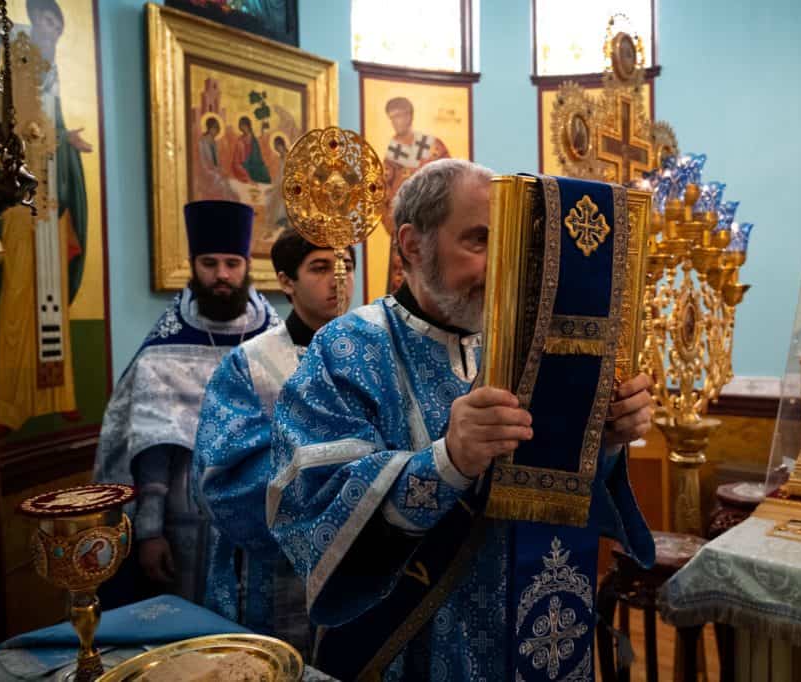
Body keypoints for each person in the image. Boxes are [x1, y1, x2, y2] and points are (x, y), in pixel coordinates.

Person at [267, 159, 655, 679]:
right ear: (411, 245)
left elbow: (557, 488)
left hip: (530, 630)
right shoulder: (345, 348)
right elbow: (311, 505)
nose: (503, 267)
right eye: (479, 242)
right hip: (410, 647)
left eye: (512, 244)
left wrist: (605, 439)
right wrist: (447, 462)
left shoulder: (528, 345)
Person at [94, 200, 279, 606]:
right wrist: (148, 533)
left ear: (248, 265)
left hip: (259, 521)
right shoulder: (165, 348)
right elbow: (150, 451)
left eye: (232, 263)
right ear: (193, 265)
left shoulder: (274, 342)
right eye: (209, 263)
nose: (222, 276)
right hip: (184, 524)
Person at [192, 231, 355, 655]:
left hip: (364, 561)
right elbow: (222, 477)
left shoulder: (374, 354)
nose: (339, 281)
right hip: (278, 572)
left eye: (347, 267)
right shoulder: (251, 364)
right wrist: (335, 496)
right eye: (320, 268)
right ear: (286, 281)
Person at [0, 0, 91, 431]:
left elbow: (50, 122)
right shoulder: (16, 55)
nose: (54, 30)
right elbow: (19, 123)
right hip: (21, 194)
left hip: (49, 194)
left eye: (59, 24)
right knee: (18, 291)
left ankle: (59, 394)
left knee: (50, 298)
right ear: (36, 18)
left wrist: (65, 137)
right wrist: (48, 137)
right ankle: (10, 404)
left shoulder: (51, 67)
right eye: (49, 21)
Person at [381, 96, 449, 293]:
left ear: (409, 116)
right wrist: (391, 223)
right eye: (392, 117)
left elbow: (449, 180)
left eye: (399, 116)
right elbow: (382, 191)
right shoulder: (392, 153)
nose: (396, 121)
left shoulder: (432, 145)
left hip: (433, 225)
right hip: (404, 228)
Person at [231, 116, 271, 184]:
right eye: (241, 127)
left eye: (244, 126)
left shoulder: (254, 139)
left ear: (248, 126)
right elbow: (236, 162)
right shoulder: (240, 141)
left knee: (265, 175)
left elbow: (258, 155)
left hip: (256, 166)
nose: (243, 128)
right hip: (245, 167)